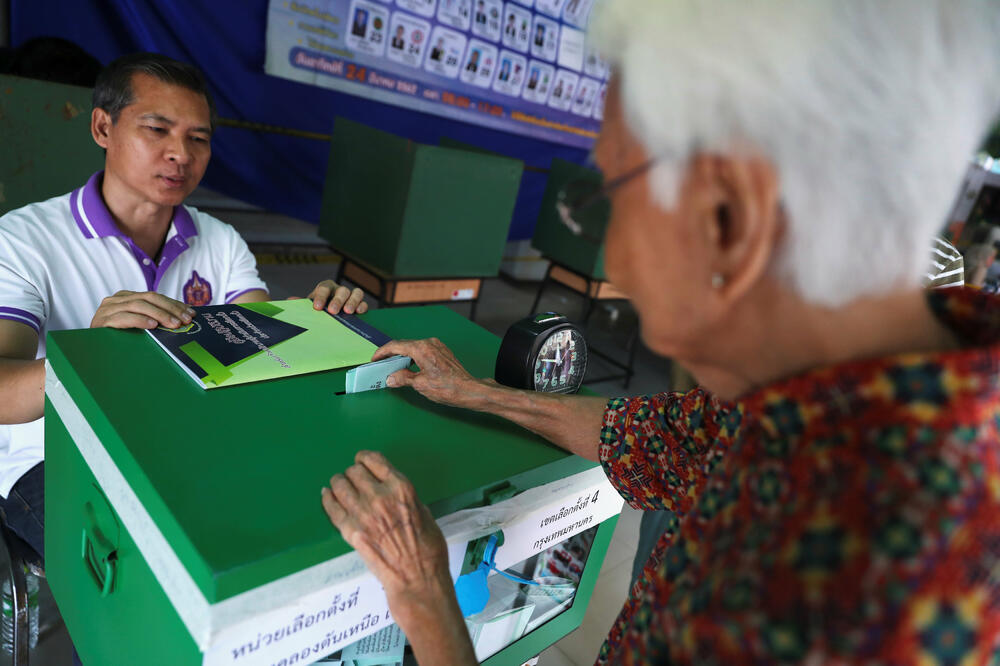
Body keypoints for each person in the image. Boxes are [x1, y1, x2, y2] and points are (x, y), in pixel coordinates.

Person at [320, 2, 1000, 663]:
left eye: (611, 196)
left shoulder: (823, 603)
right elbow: (655, 439)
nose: (611, 244)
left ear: (728, 221)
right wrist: (479, 393)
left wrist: (422, 596)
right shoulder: (835, 389)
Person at [0, 53, 367, 566]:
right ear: (103, 127)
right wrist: (89, 356)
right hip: (55, 458)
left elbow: (262, 336)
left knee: (276, 539)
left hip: (184, 442)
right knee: (133, 591)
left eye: (199, 138)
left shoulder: (220, 241)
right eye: (158, 129)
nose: (181, 154)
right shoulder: (23, 240)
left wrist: (314, 319)